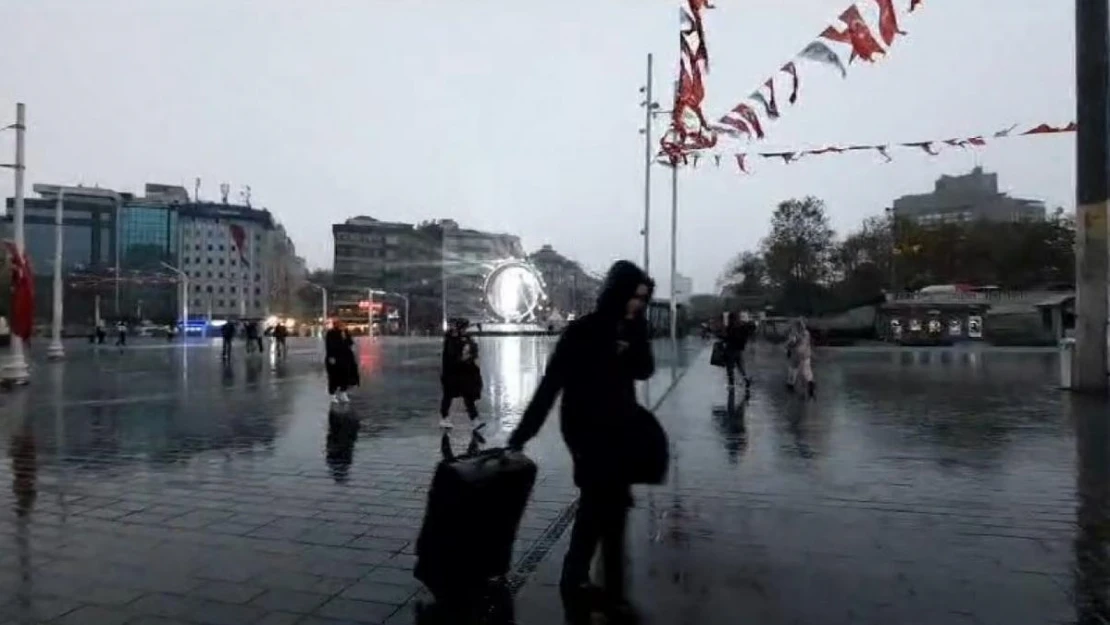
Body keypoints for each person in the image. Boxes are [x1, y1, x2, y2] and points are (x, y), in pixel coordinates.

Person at [507, 260, 655, 624]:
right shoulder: (581, 332)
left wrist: (633, 339)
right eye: (634, 297)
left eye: (643, 299)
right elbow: (551, 385)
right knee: (607, 503)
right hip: (585, 431)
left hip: (619, 428)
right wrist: (522, 434)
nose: (638, 304)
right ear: (618, 292)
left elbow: (645, 370)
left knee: (599, 506)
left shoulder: (634, 328)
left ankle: (579, 579)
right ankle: (608, 592)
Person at [438, 319, 483, 429]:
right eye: (463, 328)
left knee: (468, 396)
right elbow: (451, 356)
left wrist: (470, 354)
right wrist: (462, 357)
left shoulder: (466, 339)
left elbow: (473, 352)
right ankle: (444, 418)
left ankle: (474, 419)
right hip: (451, 374)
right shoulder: (451, 340)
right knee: (448, 396)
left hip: (464, 373)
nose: (464, 330)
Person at [325, 320, 359, 404]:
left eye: (343, 325)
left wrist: (345, 336)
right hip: (336, 357)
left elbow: (350, 343)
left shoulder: (345, 332)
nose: (342, 326)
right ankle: (332, 394)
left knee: (346, 375)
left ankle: (343, 392)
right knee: (334, 376)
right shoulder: (331, 333)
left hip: (346, 357)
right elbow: (329, 345)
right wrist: (331, 356)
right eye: (340, 325)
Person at [720, 312, 754, 388]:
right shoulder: (741, 326)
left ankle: (731, 384)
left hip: (731, 350)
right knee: (741, 367)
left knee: (730, 369)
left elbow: (727, 338)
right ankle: (746, 380)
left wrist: (723, 337)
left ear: (730, 319)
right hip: (739, 350)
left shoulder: (731, 327)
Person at [785, 317, 815, 398]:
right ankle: (810, 383)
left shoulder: (795, 334)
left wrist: (788, 347)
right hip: (805, 354)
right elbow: (806, 343)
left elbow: (790, 343)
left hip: (797, 354)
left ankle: (791, 385)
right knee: (806, 371)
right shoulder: (806, 333)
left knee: (793, 369)